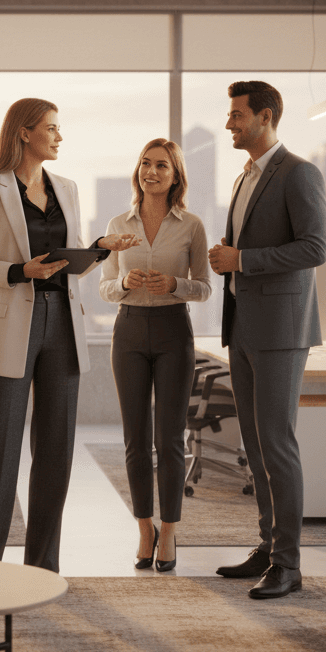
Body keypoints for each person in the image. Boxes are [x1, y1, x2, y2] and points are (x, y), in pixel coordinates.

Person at [0, 97, 138, 573]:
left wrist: (97, 250)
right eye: (52, 128)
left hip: (62, 319)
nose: (59, 137)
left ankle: (43, 565)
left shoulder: (67, 188)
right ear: (24, 132)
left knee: (55, 450)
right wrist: (20, 270)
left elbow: (68, 259)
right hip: (11, 320)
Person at [207, 81, 326, 600]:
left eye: (237, 115)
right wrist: (227, 258)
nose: (230, 124)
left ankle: (289, 564)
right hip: (244, 326)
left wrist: (244, 261)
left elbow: (315, 247)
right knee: (255, 446)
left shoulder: (299, 173)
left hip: (281, 328)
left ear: (266, 116)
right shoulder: (245, 178)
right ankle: (267, 546)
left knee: (277, 443)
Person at [99, 138, 211, 573]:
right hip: (127, 331)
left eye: (162, 166)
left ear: (176, 175)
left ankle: (169, 530)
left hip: (171, 331)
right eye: (146, 164)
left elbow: (203, 286)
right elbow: (106, 286)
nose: (152, 172)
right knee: (135, 439)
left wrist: (173, 285)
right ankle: (144, 527)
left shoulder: (192, 226)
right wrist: (126, 284)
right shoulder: (117, 223)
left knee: (168, 438)